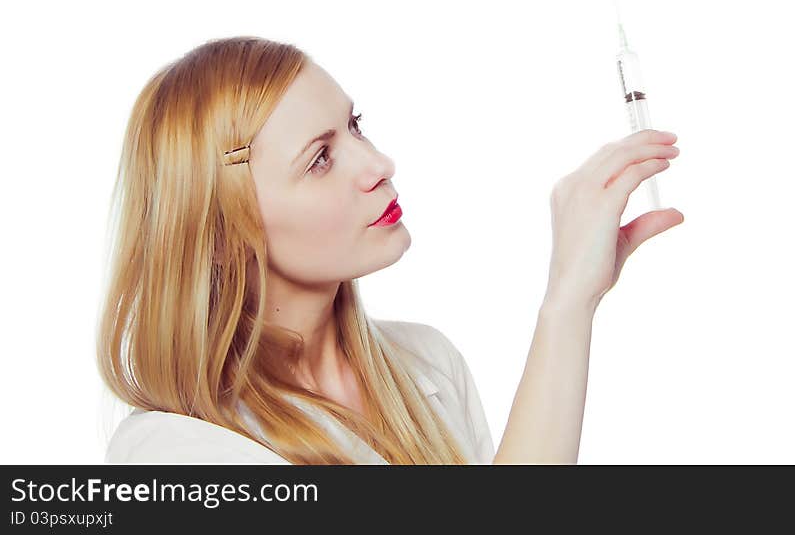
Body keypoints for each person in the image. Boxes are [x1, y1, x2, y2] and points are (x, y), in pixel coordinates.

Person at [97, 36, 683, 465]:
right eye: (320, 158)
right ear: (222, 233)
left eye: (354, 126)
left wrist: (574, 302)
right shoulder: (172, 455)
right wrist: (564, 305)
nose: (378, 165)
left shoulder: (426, 364)